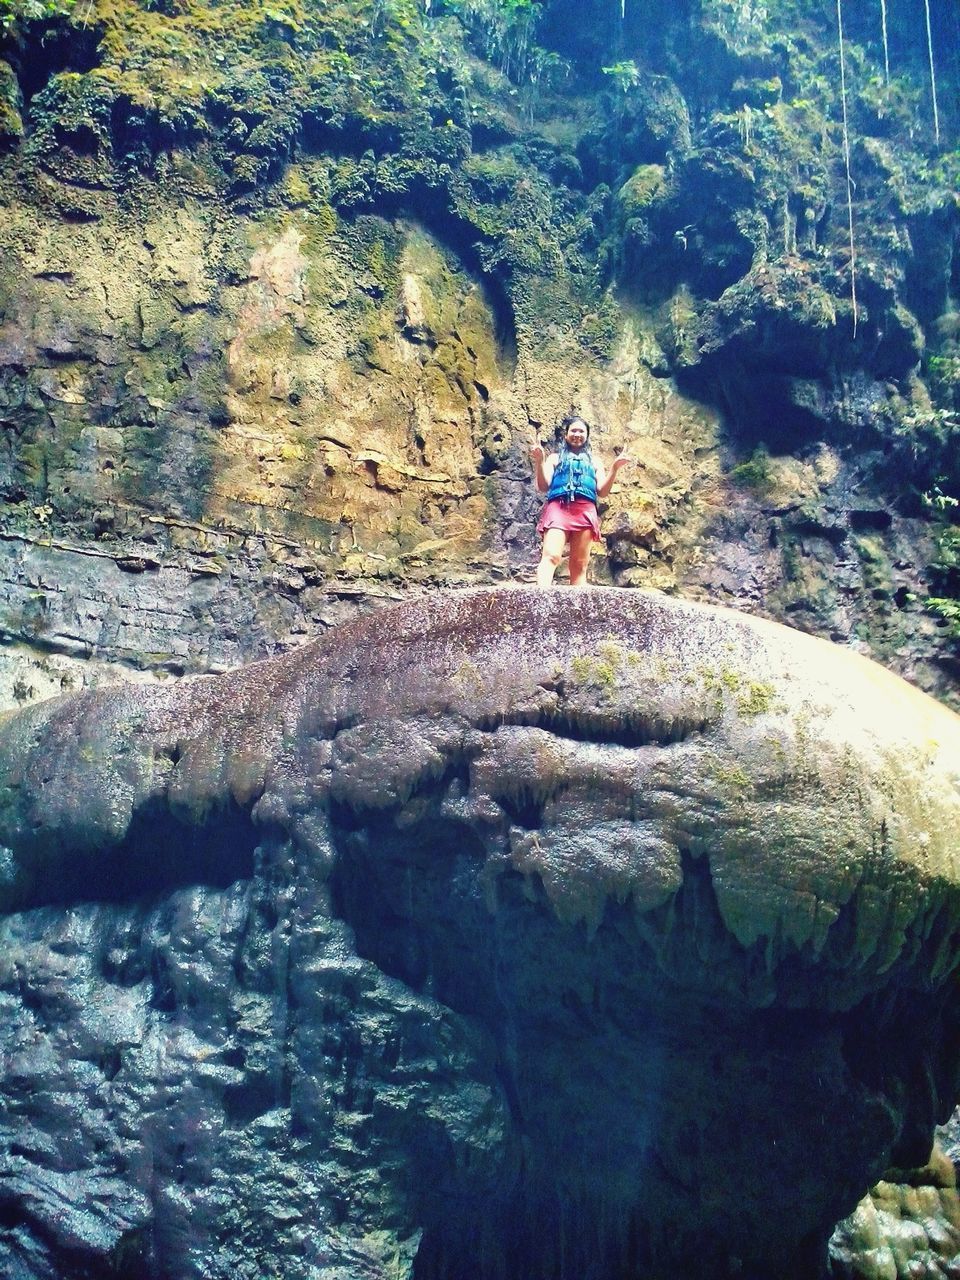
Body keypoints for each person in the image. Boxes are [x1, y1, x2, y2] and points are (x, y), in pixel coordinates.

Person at [530, 416, 631, 587]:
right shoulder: (554, 458)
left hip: (585, 511)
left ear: (587, 435)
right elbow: (543, 486)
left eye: (581, 431)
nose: (577, 434)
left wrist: (614, 469)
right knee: (551, 556)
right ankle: (541, 598)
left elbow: (603, 491)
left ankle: (576, 611)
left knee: (579, 565)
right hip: (559, 508)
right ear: (566, 434)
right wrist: (540, 461)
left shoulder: (595, 461)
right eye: (573, 430)